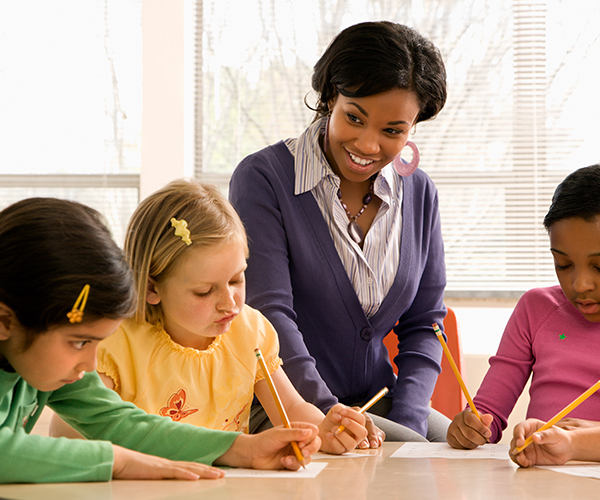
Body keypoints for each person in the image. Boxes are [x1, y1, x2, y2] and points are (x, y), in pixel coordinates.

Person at [229, 21, 450, 443]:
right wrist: (327, 414)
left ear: (413, 126)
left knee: (459, 460)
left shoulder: (419, 193)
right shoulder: (265, 179)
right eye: (355, 117)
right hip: (283, 401)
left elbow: (424, 324)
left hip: (378, 402)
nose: (369, 145)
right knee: (412, 460)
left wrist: (408, 417)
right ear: (331, 96)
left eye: (393, 131)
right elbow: (269, 315)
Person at [0, 197, 320, 484]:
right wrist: (119, 462)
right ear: (4, 322)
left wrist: (242, 448)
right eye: (80, 342)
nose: (91, 364)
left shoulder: (48, 365)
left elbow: (119, 421)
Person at [50, 179, 368, 454]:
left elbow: (292, 408)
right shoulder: (115, 343)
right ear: (150, 287)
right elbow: (68, 431)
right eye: (204, 291)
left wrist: (323, 430)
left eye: (236, 280)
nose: (229, 302)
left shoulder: (250, 329)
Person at [448, 164, 600, 450]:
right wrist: (471, 426)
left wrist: (576, 442)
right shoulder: (537, 308)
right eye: (563, 264)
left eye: (599, 266)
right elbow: (486, 415)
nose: (581, 285)